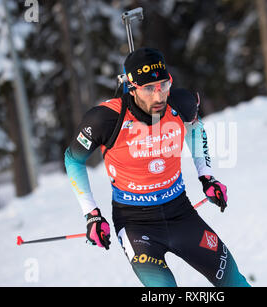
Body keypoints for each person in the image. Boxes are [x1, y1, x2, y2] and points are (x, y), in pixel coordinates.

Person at [64, 47, 250, 287]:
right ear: (132, 88)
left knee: (234, 282)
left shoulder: (181, 103)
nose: (159, 95)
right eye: (149, 88)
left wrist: (207, 177)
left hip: (181, 214)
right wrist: (91, 214)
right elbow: (73, 159)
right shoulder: (105, 119)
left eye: (164, 85)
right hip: (135, 224)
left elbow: (195, 128)